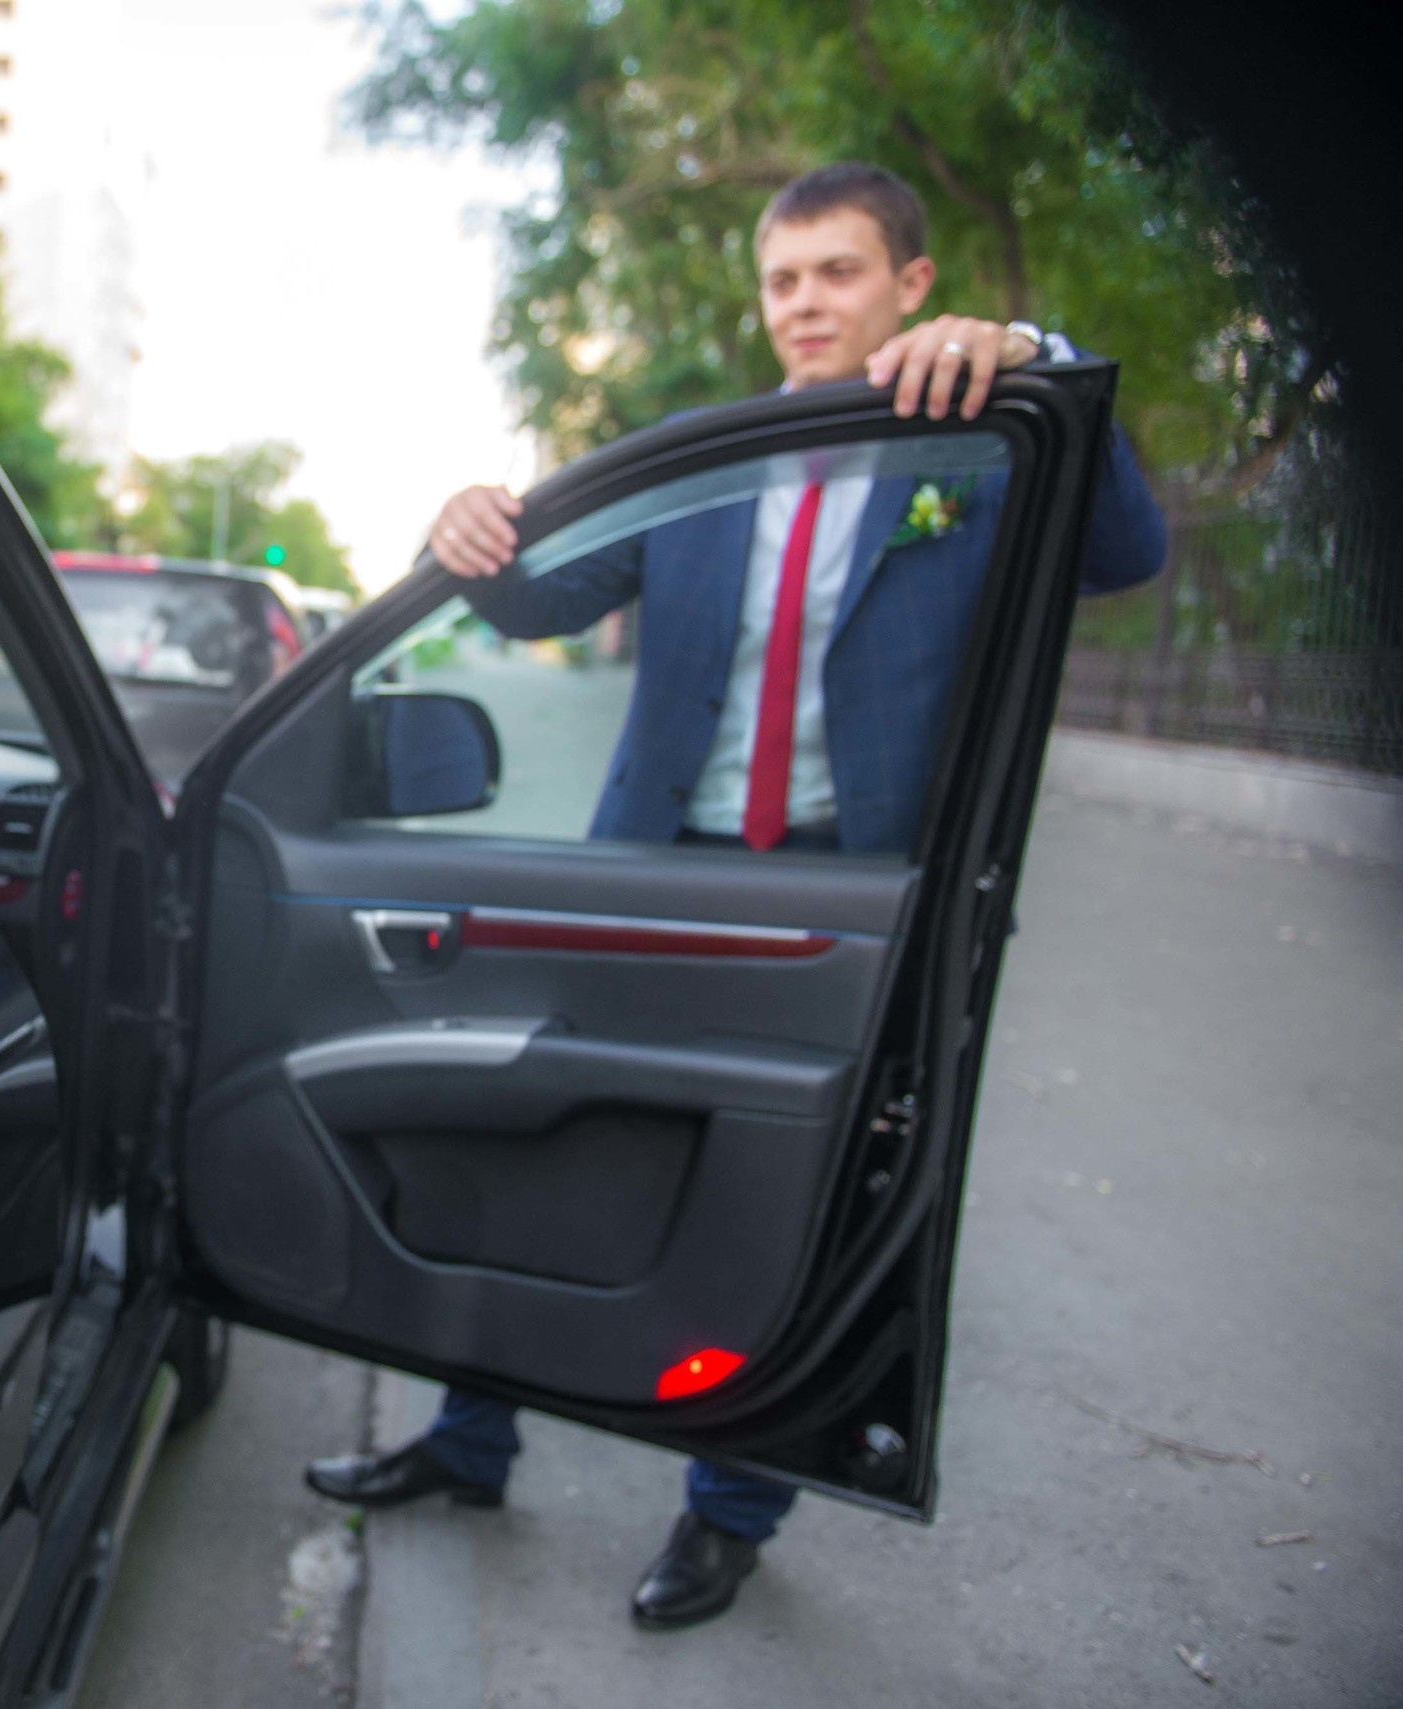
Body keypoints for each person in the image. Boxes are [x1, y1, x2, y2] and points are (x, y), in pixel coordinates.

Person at [303, 163, 1165, 1629]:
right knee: (539, 1148)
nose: (806, 303)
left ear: (909, 282)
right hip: (653, 863)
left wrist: (1042, 358)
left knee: (780, 1202)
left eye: (838, 272)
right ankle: (466, 1439)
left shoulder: (982, 446)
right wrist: (460, 523)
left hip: (849, 891)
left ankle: (728, 1510)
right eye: (784, 280)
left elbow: (1128, 549)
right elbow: (539, 589)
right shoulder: (710, 462)